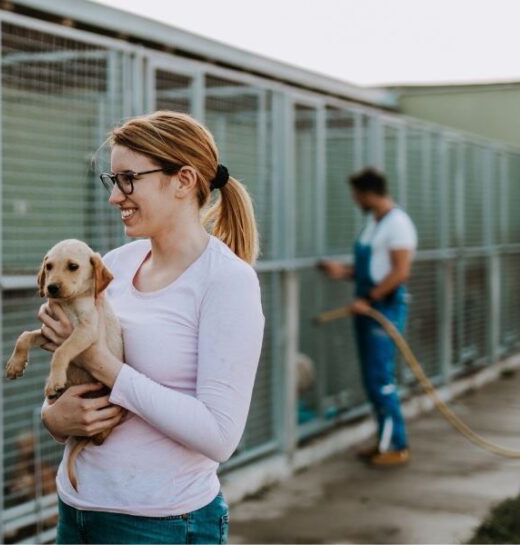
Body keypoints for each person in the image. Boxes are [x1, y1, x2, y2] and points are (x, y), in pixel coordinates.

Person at [38, 111, 265, 544]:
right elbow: (67, 380)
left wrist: (104, 366)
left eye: (128, 179)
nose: (114, 196)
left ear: (183, 180)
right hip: (77, 510)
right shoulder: (115, 265)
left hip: (161, 523)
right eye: (113, 180)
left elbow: (219, 437)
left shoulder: (227, 281)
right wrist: (53, 417)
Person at [319, 167, 416, 467]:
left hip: (382, 308)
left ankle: (396, 445)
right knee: (373, 380)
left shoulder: (398, 224)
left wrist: (369, 299)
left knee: (381, 380)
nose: (355, 200)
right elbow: (370, 268)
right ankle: (383, 440)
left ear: (368, 193)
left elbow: (400, 272)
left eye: (356, 195)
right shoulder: (374, 224)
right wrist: (344, 272)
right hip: (368, 306)